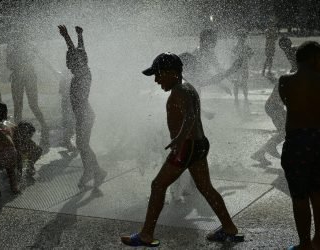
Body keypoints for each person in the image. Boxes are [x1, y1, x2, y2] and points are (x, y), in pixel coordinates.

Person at [121, 53, 244, 247]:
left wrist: (180, 137)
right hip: (199, 144)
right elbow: (192, 113)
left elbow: (190, 115)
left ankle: (146, 234)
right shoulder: (187, 87)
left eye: (158, 75)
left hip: (186, 147)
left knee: (158, 186)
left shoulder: (180, 90)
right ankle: (229, 228)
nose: (156, 80)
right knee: (205, 187)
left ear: (172, 73)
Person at [279, 41, 320, 250]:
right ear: (314, 58)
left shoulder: (284, 81)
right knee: (318, 192)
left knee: (299, 196)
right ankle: (319, 240)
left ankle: (304, 244)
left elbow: (289, 104)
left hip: (296, 142)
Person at [58, 25, 107, 189]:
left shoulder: (82, 75)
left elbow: (75, 52)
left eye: (69, 61)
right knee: (82, 145)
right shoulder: (84, 70)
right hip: (84, 114)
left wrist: (66, 37)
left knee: (83, 145)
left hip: (84, 115)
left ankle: (96, 171)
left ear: (76, 62)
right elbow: (80, 50)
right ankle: (92, 172)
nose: (67, 64)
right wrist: (79, 35)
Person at [6, 32, 49, 149]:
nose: (20, 41)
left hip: (26, 76)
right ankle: (19, 131)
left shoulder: (26, 48)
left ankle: (44, 127)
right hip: (22, 77)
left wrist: (16, 64)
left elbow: (10, 64)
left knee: (30, 105)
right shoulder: (17, 49)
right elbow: (9, 64)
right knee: (20, 106)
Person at [251, 74, 286, 164]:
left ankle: (259, 153)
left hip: (275, 106)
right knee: (285, 131)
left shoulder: (291, 76)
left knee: (286, 131)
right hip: (274, 107)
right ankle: (270, 147)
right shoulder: (292, 77)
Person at [58, 68, 76, 151]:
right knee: (69, 120)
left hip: (68, 99)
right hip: (68, 99)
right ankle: (67, 140)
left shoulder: (67, 72)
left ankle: (67, 140)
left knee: (68, 120)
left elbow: (61, 90)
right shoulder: (69, 72)